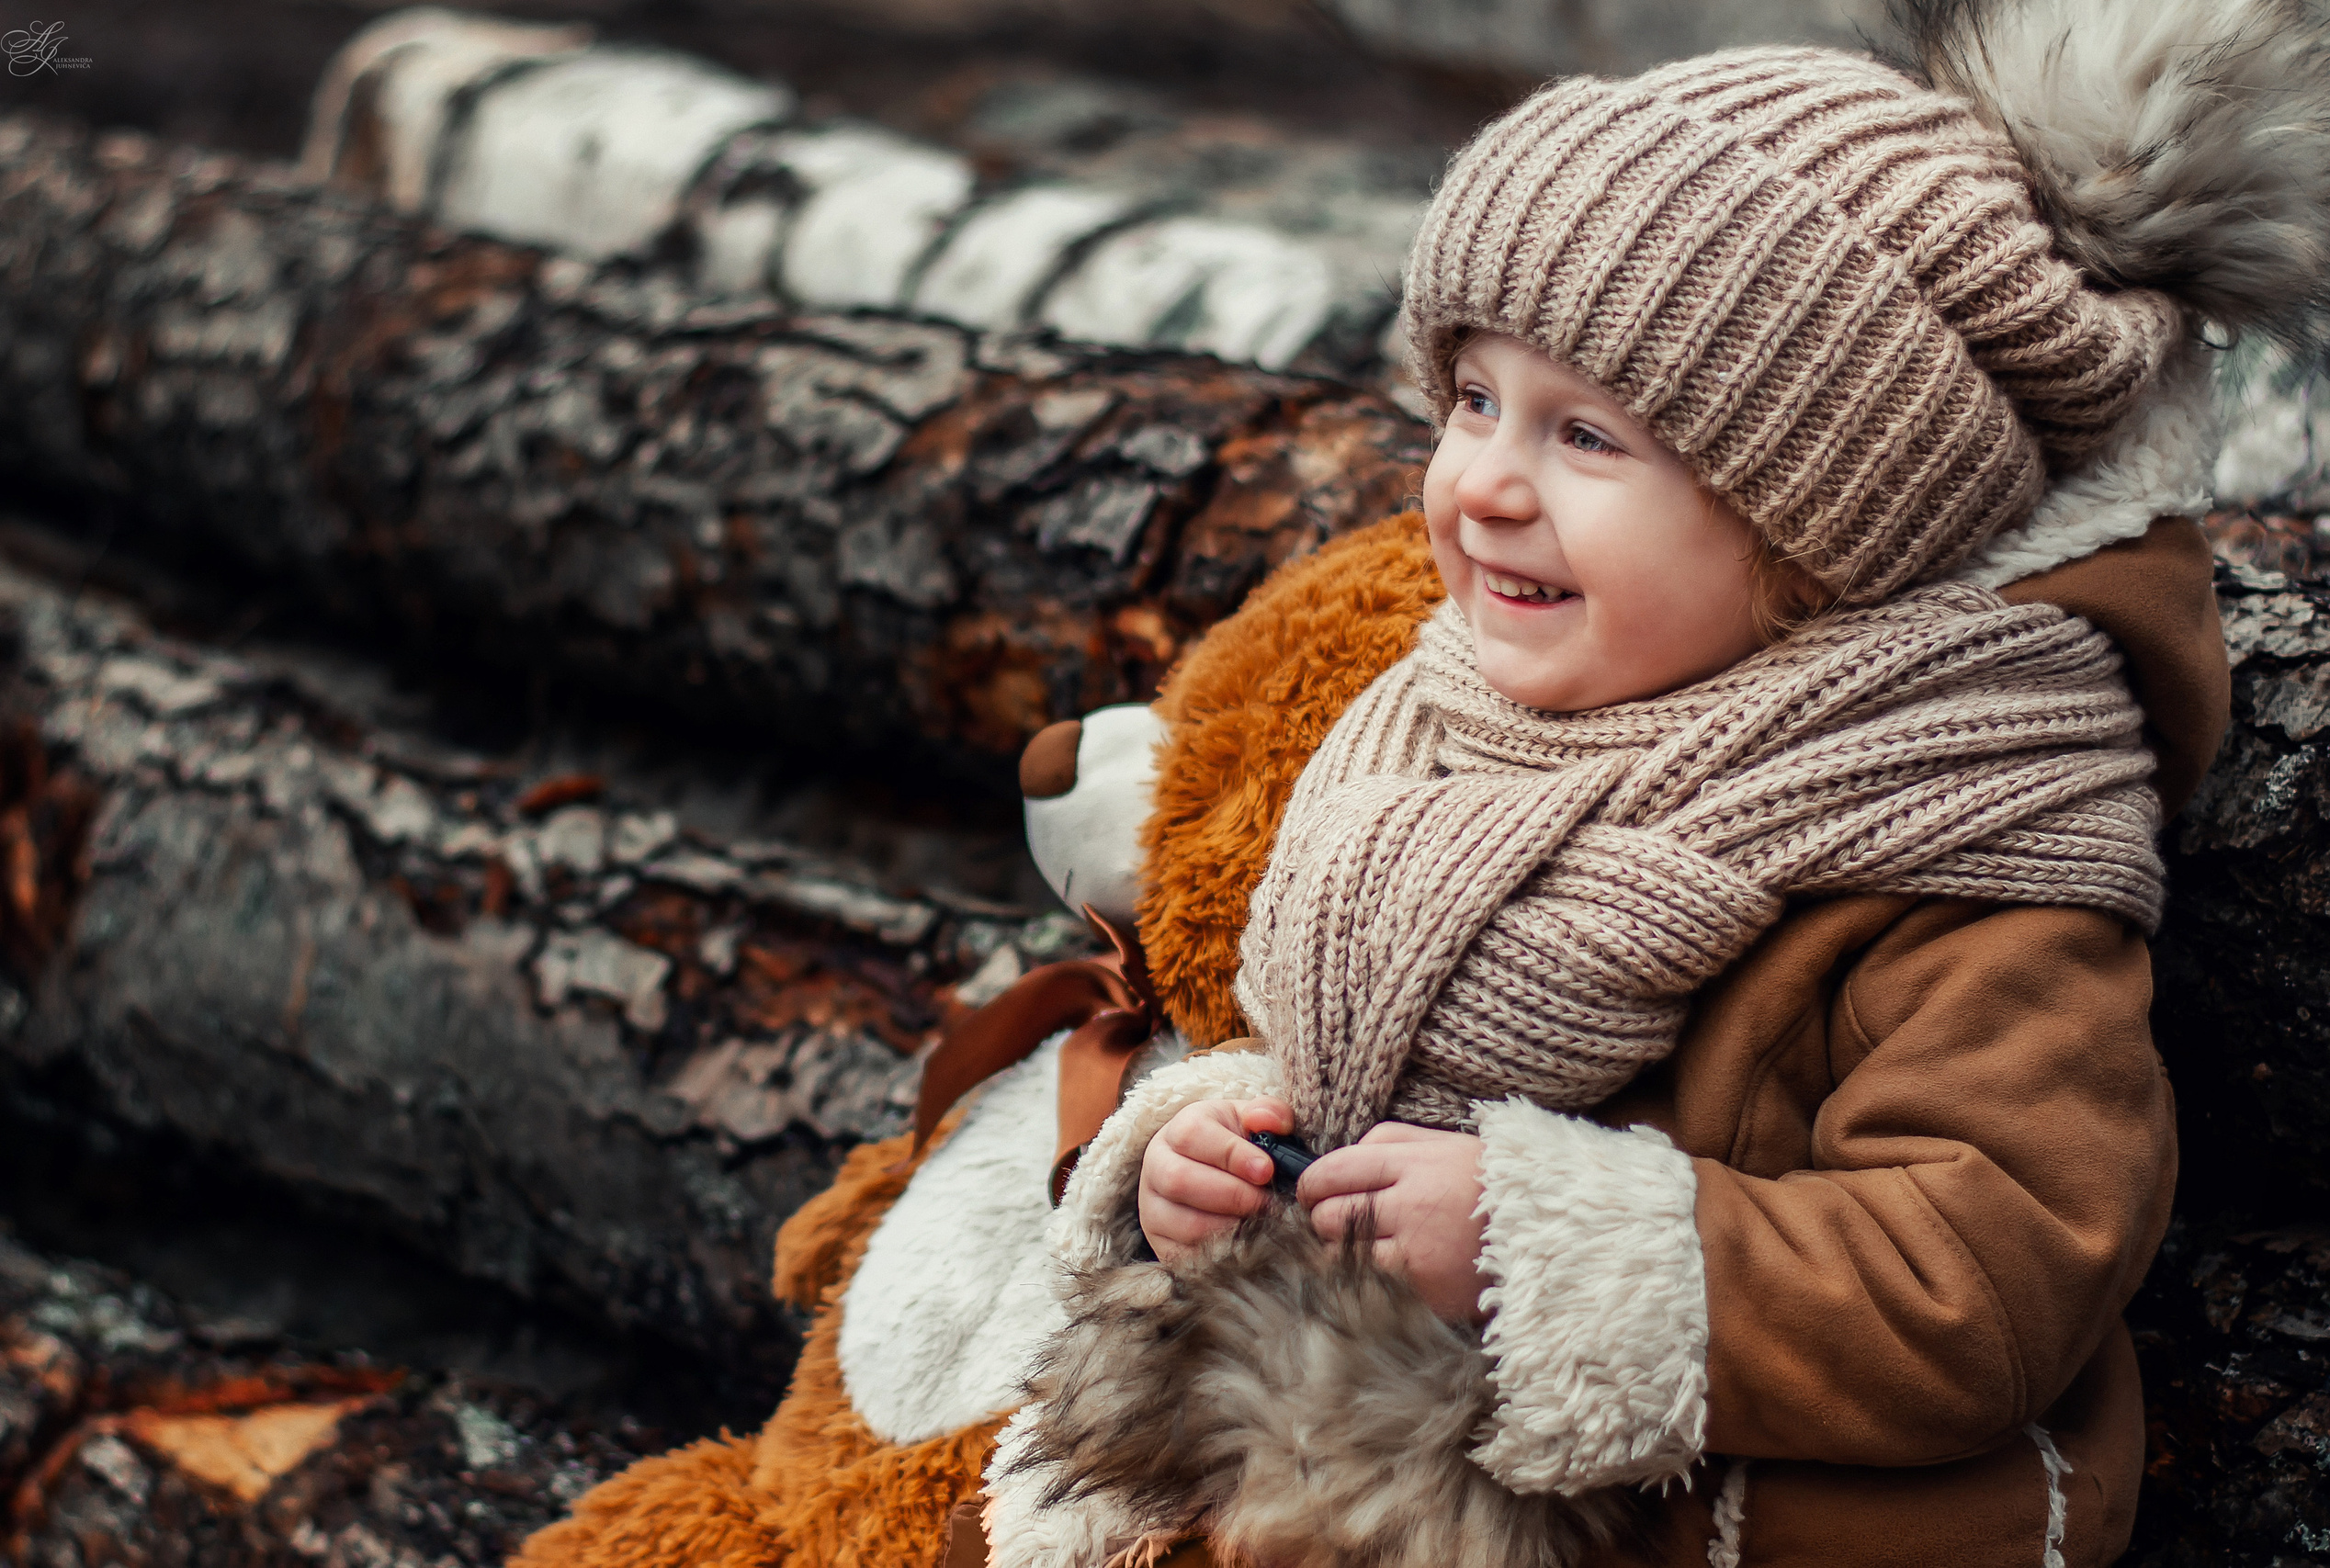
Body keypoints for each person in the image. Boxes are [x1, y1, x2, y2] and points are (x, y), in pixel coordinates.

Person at [513, 2, 2318, 1563]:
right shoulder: (1467, 711)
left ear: (1813, 526)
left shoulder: (1964, 842)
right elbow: (1328, 1040)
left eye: (1583, 434)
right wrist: (1209, 1159)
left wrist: (1541, 1245)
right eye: (1468, 396)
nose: (1476, 485)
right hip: (1392, 1453)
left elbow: (1990, 1261)